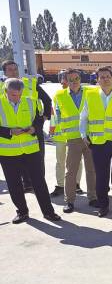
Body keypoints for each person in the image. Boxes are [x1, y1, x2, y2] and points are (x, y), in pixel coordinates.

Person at [0, 78, 61, 223]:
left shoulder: (29, 101)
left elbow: (39, 119)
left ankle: (48, 212)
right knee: (14, 184)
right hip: (8, 153)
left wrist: (34, 128)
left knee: (39, 182)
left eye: (19, 94)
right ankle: (22, 212)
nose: (17, 98)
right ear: (5, 91)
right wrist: (9, 132)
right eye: (14, 95)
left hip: (31, 149)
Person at [80, 66, 112, 217]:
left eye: (107, 76)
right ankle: (103, 206)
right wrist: (84, 135)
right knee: (101, 177)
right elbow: (83, 118)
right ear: (97, 80)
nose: (105, 79)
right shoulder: (89, 94)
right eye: (101, 77)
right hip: (99, 143)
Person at [1, 60, 52, 191]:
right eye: (10, 69)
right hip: (11, 131)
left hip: (33, 128)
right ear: (4, 72)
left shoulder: (29, 84)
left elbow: (47, 100)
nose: (14, 71)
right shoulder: (2, 88)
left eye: (15, 68)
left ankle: (39, 183)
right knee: (18, 158)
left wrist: (44, 117)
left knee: (38, 157)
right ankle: (27, 183)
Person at [54, 68, 98, 213]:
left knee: (92, 170)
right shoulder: (60, 95)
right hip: (72, 138)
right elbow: (58, 115)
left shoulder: (91, 93)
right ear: (65, 81)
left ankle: (93, 197)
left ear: (81, 79)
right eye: (70, 80)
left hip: (90, 137)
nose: (73, 82)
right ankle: (69, 201)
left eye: (76, 79)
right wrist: (62, 131)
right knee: (70, 171)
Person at [49, 70, 82, 197]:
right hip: (61, 135)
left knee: (77, 162)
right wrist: (52, 131)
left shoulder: (84, 93)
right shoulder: (58, 95)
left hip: (76, 135)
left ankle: (76, 184)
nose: (65, 82)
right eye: (65, 80)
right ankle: (60, 185)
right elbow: (54, 115)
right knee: (60, 161)